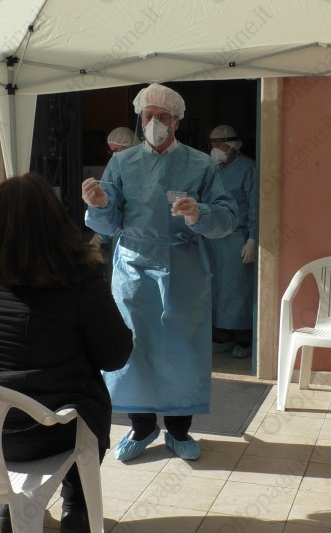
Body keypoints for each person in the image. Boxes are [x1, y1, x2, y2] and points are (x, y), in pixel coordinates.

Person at [0, 173, 133, 533]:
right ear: (56, 220)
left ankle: (14, 509)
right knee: (83, 398)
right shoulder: (77, 274)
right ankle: (76, 505)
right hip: (43, 430)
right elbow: (114, 355)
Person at [81, 83, 237, 462]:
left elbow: (227, 216)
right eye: (148, 116)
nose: (154, 123)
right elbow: (109, 222)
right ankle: (142, 425)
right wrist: (99, 204)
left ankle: (179, 430)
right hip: (134, 268)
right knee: (136, 347)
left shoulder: (199, 164)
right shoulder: (123, 163)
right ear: (140, 118)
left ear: (177, 122)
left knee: (182, 347)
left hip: (183, 267)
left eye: (163, 117)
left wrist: (198, 213)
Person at [208, 125, 258, 359]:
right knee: (216, 289)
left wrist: (253, 238)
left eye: (220, 144)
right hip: (214, 239)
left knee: (238, 290)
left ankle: (244, 338)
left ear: (233, 145)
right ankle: (222, 336)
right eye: (212, 144)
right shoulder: (213, 169)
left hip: (238, 239)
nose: (215, 149)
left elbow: (256, 205)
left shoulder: (248, 168)